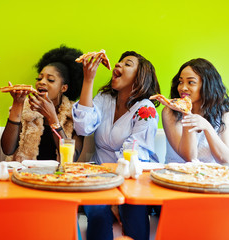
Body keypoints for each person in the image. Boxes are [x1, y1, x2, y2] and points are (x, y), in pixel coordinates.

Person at [73, 51, 161, 240]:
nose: (118, 65)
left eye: (127, 64)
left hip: (132, 179)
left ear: (140, 77)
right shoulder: (104, 98)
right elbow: (83, 127)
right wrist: (88, 80)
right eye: (118, 62)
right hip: (99, 179)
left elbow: (132, 153)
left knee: (133, 209)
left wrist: (117, 197)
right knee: (97, 212)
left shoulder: (146, 108)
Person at [1, 45, 84, 162]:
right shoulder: (25, 108)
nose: (42, 82)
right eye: (39, 78)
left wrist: (52, 119)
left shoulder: (75, 115)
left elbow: (71, 158)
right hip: (24, 174)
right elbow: (7, 150)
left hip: (57, 177)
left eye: (50, 80)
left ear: (63, 88)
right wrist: (17, 105)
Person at [161, 58, 229, 164]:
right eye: (181, 82)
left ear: (207, 85)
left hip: (211, 177)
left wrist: (207, 127)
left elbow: (226, 160)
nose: (183, 88)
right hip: (175, 175)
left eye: (191, 82)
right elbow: (190, 157)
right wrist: (186, 112)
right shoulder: (170, 111)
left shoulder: (224, 113)